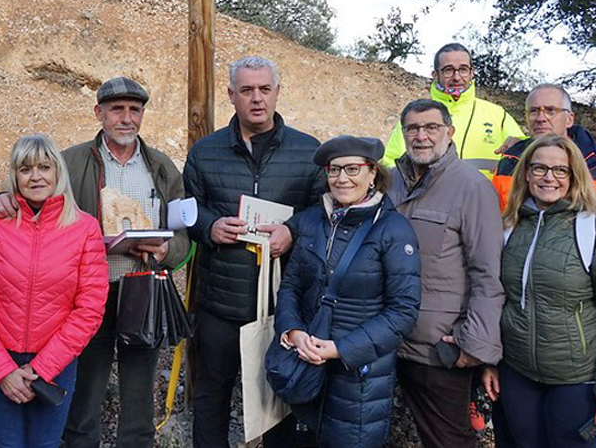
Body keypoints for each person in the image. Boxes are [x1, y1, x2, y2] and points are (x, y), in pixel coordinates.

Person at [183, 56, 326, 448]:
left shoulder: (309, 151)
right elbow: (187, 210)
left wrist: (293, 232)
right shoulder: (205, 152)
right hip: (220, 303)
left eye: (265, 89)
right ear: (231, 95)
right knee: (212, 396)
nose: (257, 99)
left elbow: (324, 215)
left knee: (281, 398)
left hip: (285, 306)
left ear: (278, 92)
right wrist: (209, 227)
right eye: (247, 90)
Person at [59, 77, 190, 448]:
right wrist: (102, 245)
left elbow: (183, 236)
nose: (127, 118)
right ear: (98, 113)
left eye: (135, 110)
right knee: (86, 389)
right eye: (117, 109)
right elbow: (51, 228)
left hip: (143, 292)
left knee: (139, 394)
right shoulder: (69, 163)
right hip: (89, 295)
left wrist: (167, 251)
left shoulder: (161, 167)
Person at [482, 134, 596, 448]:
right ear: (525, 173)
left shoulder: (594, 230)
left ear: (574, 176)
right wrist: (490, 361)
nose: (549, 177)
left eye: (560, 170)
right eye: (539, 168)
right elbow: (495, 300)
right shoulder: (510, 226)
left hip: (575, 380)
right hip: (516, 373)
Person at [0, 134, 108, 448]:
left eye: (44, 167)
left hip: (56, 363)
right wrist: (2, 370)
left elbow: (90, 309)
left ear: (58, 173)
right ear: (15, 176)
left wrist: (40, 369)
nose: (36, 176)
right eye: (26, 169)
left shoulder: (85, 229)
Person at [275, 136, 421, 447]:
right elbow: (291, 285)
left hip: (359, 376)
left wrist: (340, 349)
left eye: (353, 169)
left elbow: (402, 311)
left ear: (372, 173)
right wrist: (292, 330)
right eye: (334, 170)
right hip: (306, 361)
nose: (342, 179)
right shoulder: (315, 221)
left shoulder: (393, 230)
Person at [386, 99, 504, 448]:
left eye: (431, 128)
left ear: (449, 133)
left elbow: (488, 272)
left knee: (450, 442)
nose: (421, 136)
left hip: (438, 349)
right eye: (413, 129)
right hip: (387, 341)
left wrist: (476, 344)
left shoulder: (471, 187)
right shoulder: (389, 183)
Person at [493, 84, 596, 307]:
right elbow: (493, 235)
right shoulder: (509, 165)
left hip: (584, 307)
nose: (541, 118)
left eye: (550, 110)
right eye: (534, 111)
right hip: (517, 306)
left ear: (569, 118)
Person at [383, 43, 523, 179]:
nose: (457, 77)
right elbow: (392, 164)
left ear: (472, 72)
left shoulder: (498, 115)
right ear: (435, 74)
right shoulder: (415, 117)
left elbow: (528, 153)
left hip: (484, 200)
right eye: (448, 70)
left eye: (463, 69)